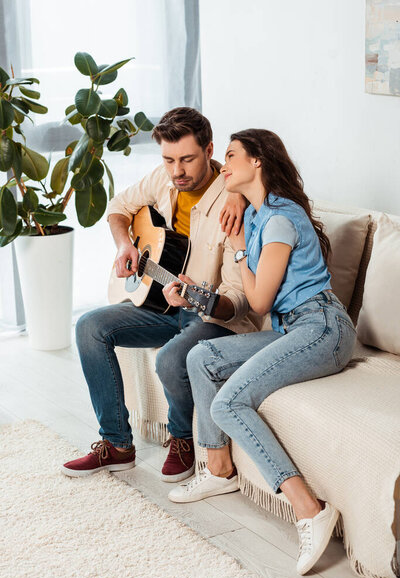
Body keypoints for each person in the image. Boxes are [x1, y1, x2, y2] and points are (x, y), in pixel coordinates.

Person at [166, 129, 357, 576]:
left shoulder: (278, 220)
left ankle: (310, 509)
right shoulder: (257, 215)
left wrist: (236, 255)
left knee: (231, 400)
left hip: (323, 328)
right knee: (202, 356)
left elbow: (260, 302)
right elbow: (256, 297)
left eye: (230, 156)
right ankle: (217, 467)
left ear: (258, 162)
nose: (223, 165)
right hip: (296, 328)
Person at [61, 108, 263, 480]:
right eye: (169, 160)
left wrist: (196, 297)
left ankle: (183, 439)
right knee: (88, 327)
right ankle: (118, 445)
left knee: (170, 360)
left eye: (187, 159)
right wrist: (125, 246)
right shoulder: (164, 179)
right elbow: (119, 208)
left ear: (209, 151)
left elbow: (237, 301)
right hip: (163, 305)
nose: (177, 171)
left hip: (209, 315)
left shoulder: (236, 203)